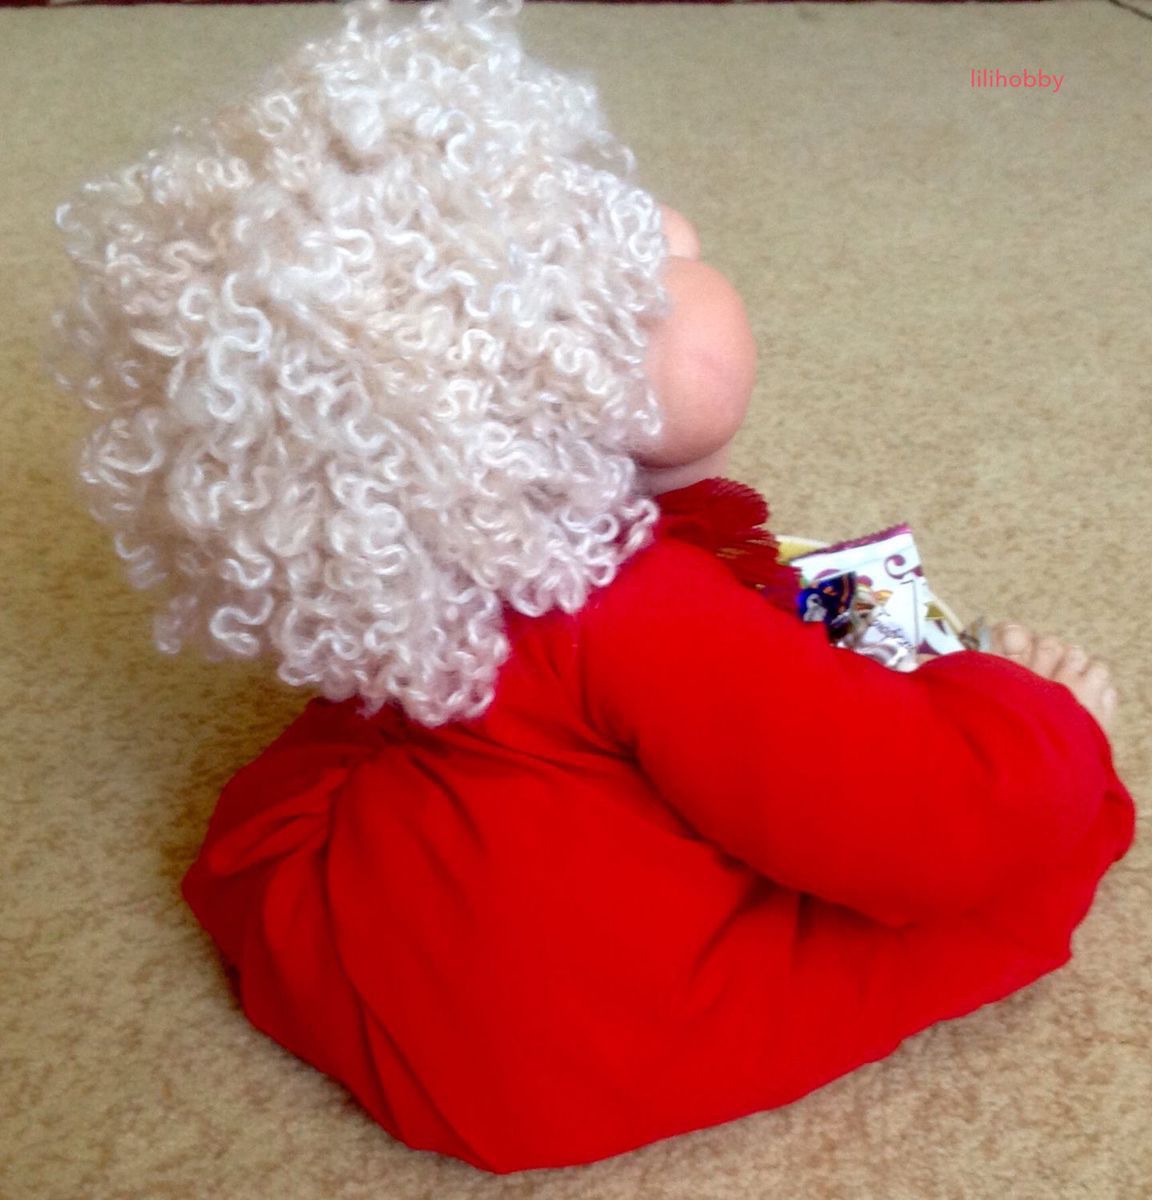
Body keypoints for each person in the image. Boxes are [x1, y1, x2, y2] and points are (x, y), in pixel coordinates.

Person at [47, 0, 1134, 1175]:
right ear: (585, 401)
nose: (673, 227)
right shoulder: (640, 615)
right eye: (640, 279)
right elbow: (921, 822)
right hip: (562, 1049)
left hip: (409, 949)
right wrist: (1037, 715)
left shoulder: (419, 542)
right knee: (1019, 866)